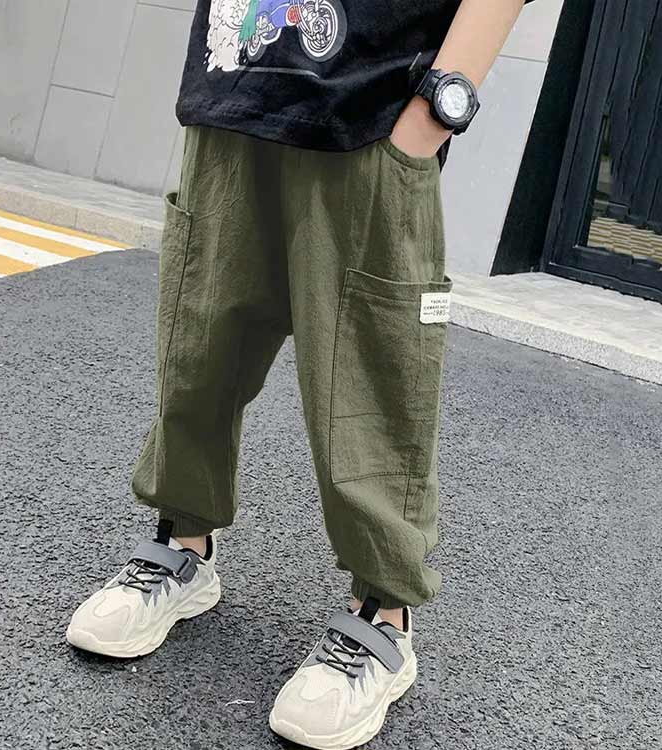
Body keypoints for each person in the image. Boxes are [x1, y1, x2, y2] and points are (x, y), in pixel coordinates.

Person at [67, 0, 535, 746]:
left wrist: (434, 111)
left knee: (370, 378)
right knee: (199, 349)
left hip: (375, 110)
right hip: (235, 89)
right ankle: (182, 546)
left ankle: (383, 616)